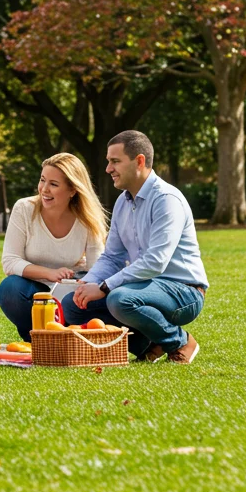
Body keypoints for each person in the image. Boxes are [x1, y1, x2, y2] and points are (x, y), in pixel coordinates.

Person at [62, 130, 208, 364]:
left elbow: (155, 262)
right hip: (143, 287)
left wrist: (105, 286)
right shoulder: (122, 202)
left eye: (115, 161)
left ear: (139, 161)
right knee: (73, 304)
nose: (108, 169)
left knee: (119, 299)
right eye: (108, 161)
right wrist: (87, 283)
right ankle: (150, 344)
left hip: (184, 291)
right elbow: (112, 257)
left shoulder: (167, 200)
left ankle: (180, 341)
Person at [0, 153, 107, 340]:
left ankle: (70, 335)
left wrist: (84, 284)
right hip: (32, 291)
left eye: (54, 184)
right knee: (10, 289)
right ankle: (40, 339)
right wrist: (49, 273)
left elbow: (98, 268)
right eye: (42, 180)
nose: (44, 189)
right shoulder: (24, 208)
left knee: (106, 296)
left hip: (70, 292)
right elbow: (10, 261)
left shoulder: (88, 218)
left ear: (72, 190)